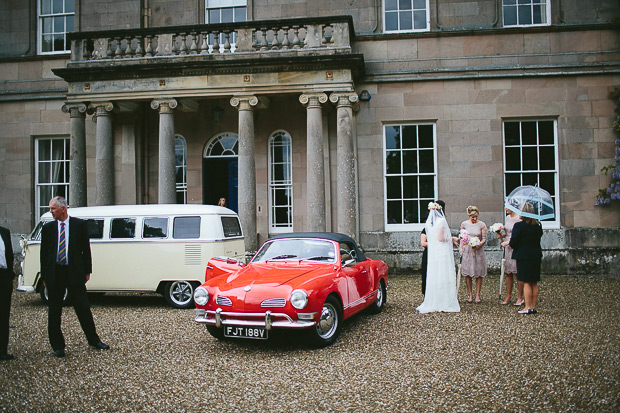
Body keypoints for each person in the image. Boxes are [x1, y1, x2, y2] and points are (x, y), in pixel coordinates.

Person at [40, 196, 109, 357]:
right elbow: (44, 254)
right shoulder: (48, 228)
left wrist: (87, 271)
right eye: (50, 209)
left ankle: (94, 340)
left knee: (83, 308)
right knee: (54, 311)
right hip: (55, 273)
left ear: (63, 208)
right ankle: (58, 346)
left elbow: (86, 249)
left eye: (53, 209)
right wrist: (44, 275)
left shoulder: (79, 225)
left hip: (74, 272)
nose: (51, 212)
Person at [416, 202, 460, 313]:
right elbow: (441, 238)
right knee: (443, 273)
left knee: (435, 274)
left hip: (434, 252)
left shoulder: (430, 223)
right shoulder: (441, 221)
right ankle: (443, 301)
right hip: (441, 250)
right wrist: (451, 239)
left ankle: (434, 299)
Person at [509, 203, 543, 315]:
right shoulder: (538, 226)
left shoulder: (519, 226)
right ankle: (533, 306)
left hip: (523, 256)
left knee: (526, 282)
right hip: (535, 255)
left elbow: (513, 242)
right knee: (534, 281)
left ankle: (527, 306)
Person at [497, 205, 524, 306]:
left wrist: (508, 242)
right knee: (508, 272)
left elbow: (518, 234)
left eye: (507, 207)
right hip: (507, 247)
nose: (505, 209)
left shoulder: (519, 219)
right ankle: (508, 296)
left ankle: (520, 297)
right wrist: (501, 235)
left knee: (517, 272)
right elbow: (508, 232)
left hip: (515, 245)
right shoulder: (508, 218)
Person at [460, 205, 487, 303]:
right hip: (468, 250)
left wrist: (478, 245)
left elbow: (484, 238)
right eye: (472, 217)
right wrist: (462, 246)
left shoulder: (482, 224)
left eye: (476, 216)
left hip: (478, 250)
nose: (474, 218)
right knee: (468, 273)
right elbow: (462, 237)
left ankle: (477, 295)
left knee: (478, 273)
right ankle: (470, 295)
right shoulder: (464, 224)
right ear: (469, 216)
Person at [420, 200, 446, 296]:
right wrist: (436, 243)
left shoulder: (440, 225)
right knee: (427, 273)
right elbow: (423, 243)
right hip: (429, 253)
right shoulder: (426, 228)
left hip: (438, 253)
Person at [0, 225, 15, 360]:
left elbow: (9, 255)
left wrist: (10, 275)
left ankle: (2, 350)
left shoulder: (5, 232)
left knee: (4, 315)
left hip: (4, 277)